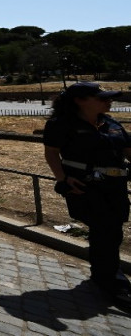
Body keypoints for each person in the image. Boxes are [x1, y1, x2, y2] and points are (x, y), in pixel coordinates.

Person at [44, 82, 131, 306]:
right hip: (85, 187)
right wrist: (62, 180)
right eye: (102, 98)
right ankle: (111, 281)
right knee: (105, 230)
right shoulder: (61, 125)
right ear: (80, 101)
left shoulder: (111, 123)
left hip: (115, 187)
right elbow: (52, 153)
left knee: (112, 230)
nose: (108, 101)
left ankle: (102, 274)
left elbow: (127, 150)